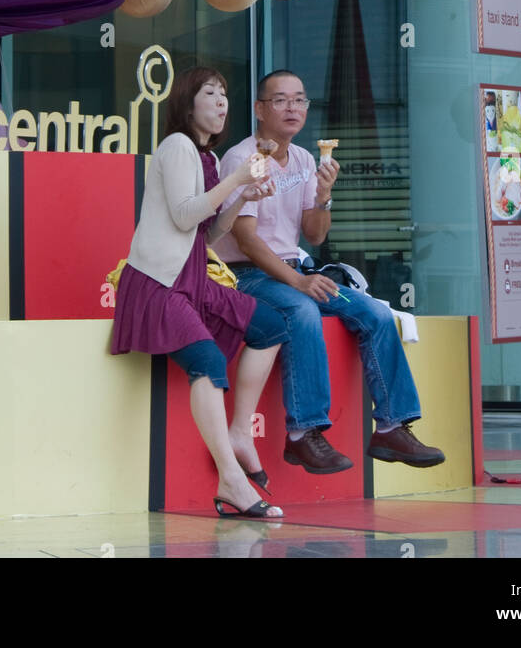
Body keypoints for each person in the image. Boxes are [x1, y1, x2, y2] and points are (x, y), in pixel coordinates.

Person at [215, 70, 445, 475]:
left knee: (374, 312)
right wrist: (299, 282)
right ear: (259, 109)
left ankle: (392, 425)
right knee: (301, 311)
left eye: (300, 100)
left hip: (291, 269)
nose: (292, 108)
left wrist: (324, 197)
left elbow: (315, 233)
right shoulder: (243, 158)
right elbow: (247, 240)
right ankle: (303, 434)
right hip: (246, 275)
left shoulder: (304, 159)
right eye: (281, 100)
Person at [110, 66, 288, 519]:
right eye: (211, 92)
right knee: (208, 362)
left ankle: (239, 433)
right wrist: (237, 179)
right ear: (188, 105)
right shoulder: (176, 147)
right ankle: (231, 480)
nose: (222, 101)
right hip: (158, 284)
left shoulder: (207, 159)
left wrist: (244, 197)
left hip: (192, 279)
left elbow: (205, 236)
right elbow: (186, 215)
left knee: (270, 325)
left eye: (225, 92)